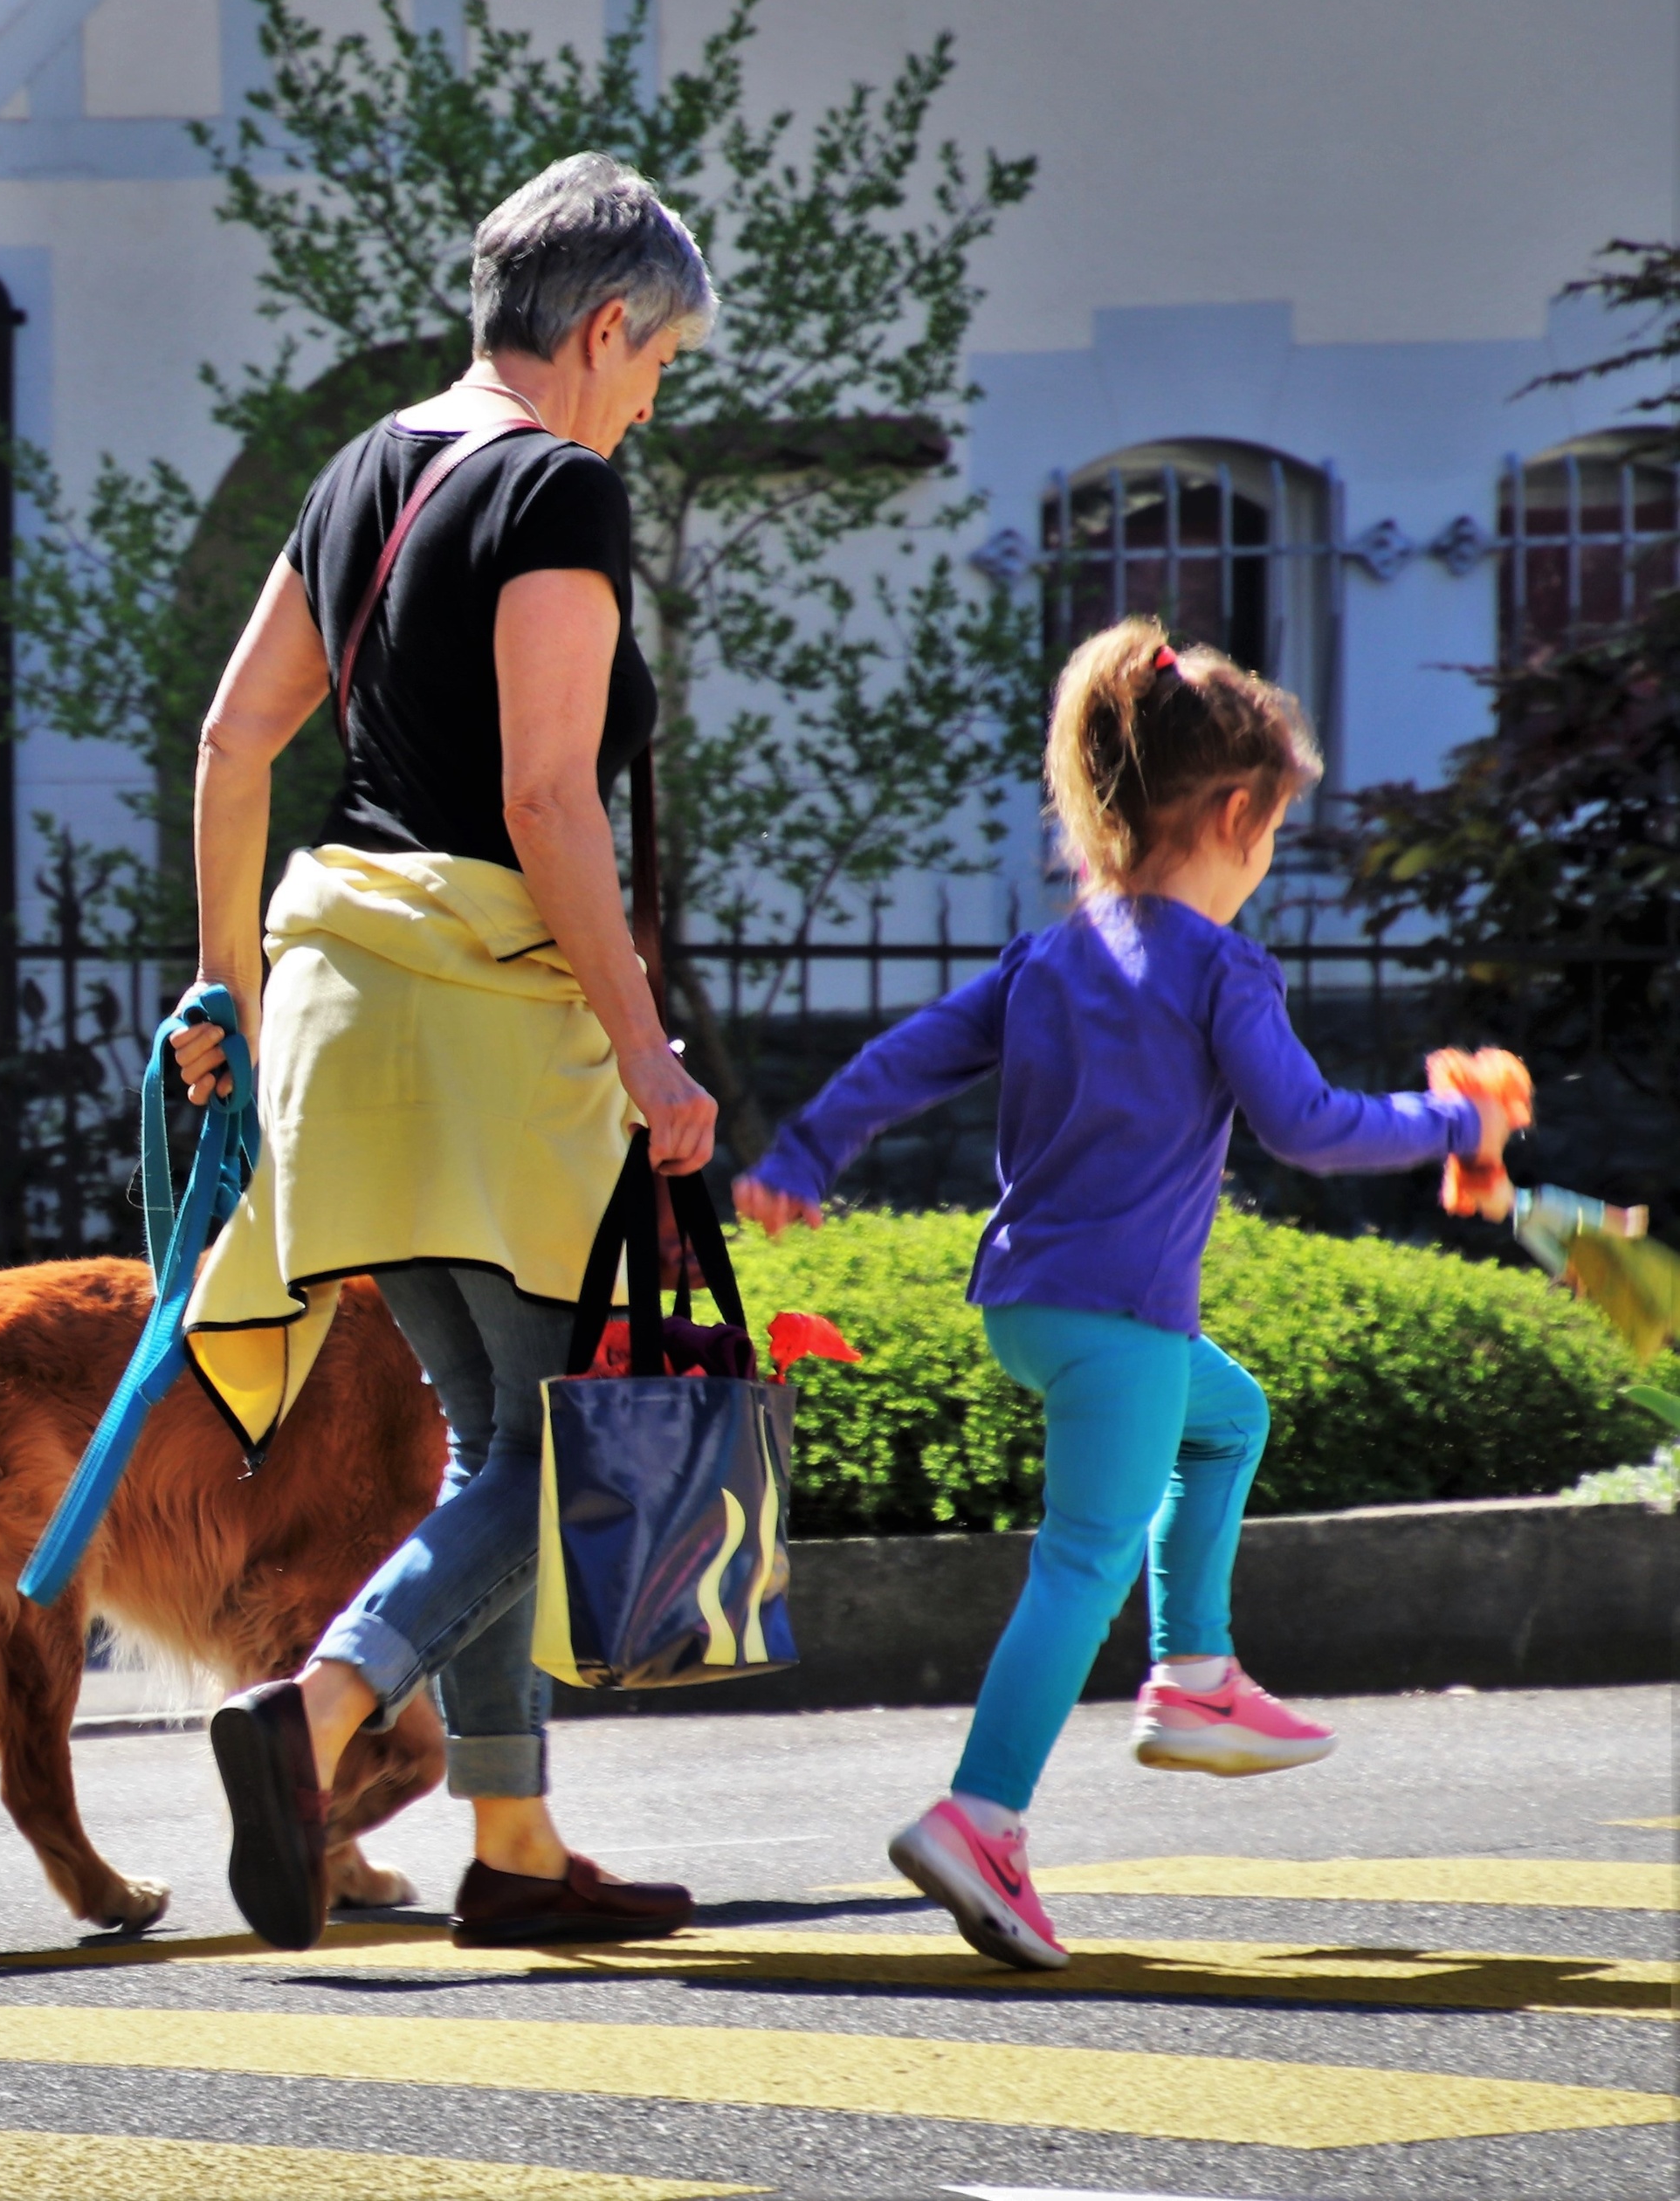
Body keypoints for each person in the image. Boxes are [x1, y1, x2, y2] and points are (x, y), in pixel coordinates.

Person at [733, 619, 1515, 1972]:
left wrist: (803, 1153)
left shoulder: (1050, 956)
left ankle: (1195, 1672)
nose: (1267, 855)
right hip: (1122, 1323)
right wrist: (1452, 1120)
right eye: (1272, 828)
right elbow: (1309, 1124)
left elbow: (907, 1053)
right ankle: (981, 1813)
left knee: (1227, 1418)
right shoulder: (1221, 967)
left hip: (1028, 1308)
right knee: (1081, 1561)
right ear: (1233, 815)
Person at [167, 152, 720, 1953]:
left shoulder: (358, 470)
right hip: (489, 1010)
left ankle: (514, 1847)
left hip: (338, 1005)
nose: (649, 399)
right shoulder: (554, 488)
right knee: (557, 1453)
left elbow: (233, 741)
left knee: (495, 1434)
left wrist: (222, 996)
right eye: (657, 363)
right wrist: (644, 1053)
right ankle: (315, 1712)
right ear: (605, 322)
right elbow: (543, 795)